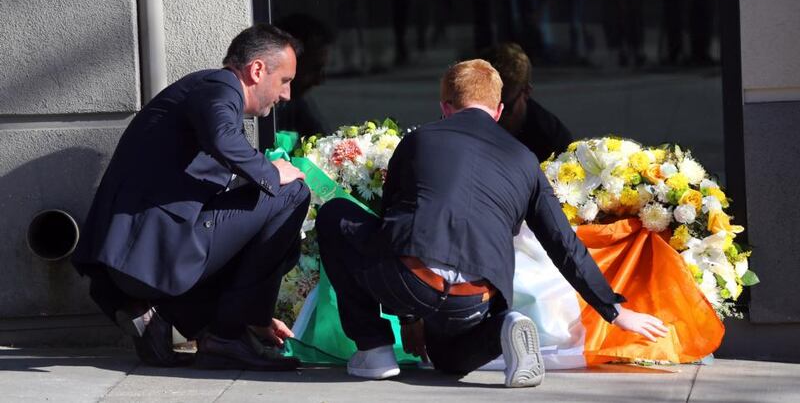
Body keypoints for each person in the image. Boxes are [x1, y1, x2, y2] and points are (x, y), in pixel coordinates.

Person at [315, 59, 667, 387]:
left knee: (335, 216)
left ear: (444, 107)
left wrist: (408, 316)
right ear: (498, 111)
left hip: (411, 281)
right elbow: (563, 242)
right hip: (474, 299)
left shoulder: (419, 140)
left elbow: (392, 226)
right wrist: (613, 309)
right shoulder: (525, 160)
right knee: (448, 360)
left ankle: (374, 350)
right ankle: (503, 326)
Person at [72, 24, 310, 371]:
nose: (286, 95)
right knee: (291, 194)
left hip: (140, 256)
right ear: (257, 70)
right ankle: (225, 336)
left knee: (267, 216)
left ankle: (170, 317)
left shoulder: (204, 91)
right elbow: (221, 137)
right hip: (151, 255)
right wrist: (272, 172)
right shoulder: (220, 87)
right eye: (285, 80)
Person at [480, 43, 573, 161]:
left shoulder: (552, 140)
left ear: (526, 92)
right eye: (485, 106)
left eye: (505, 109)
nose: (494, 118)